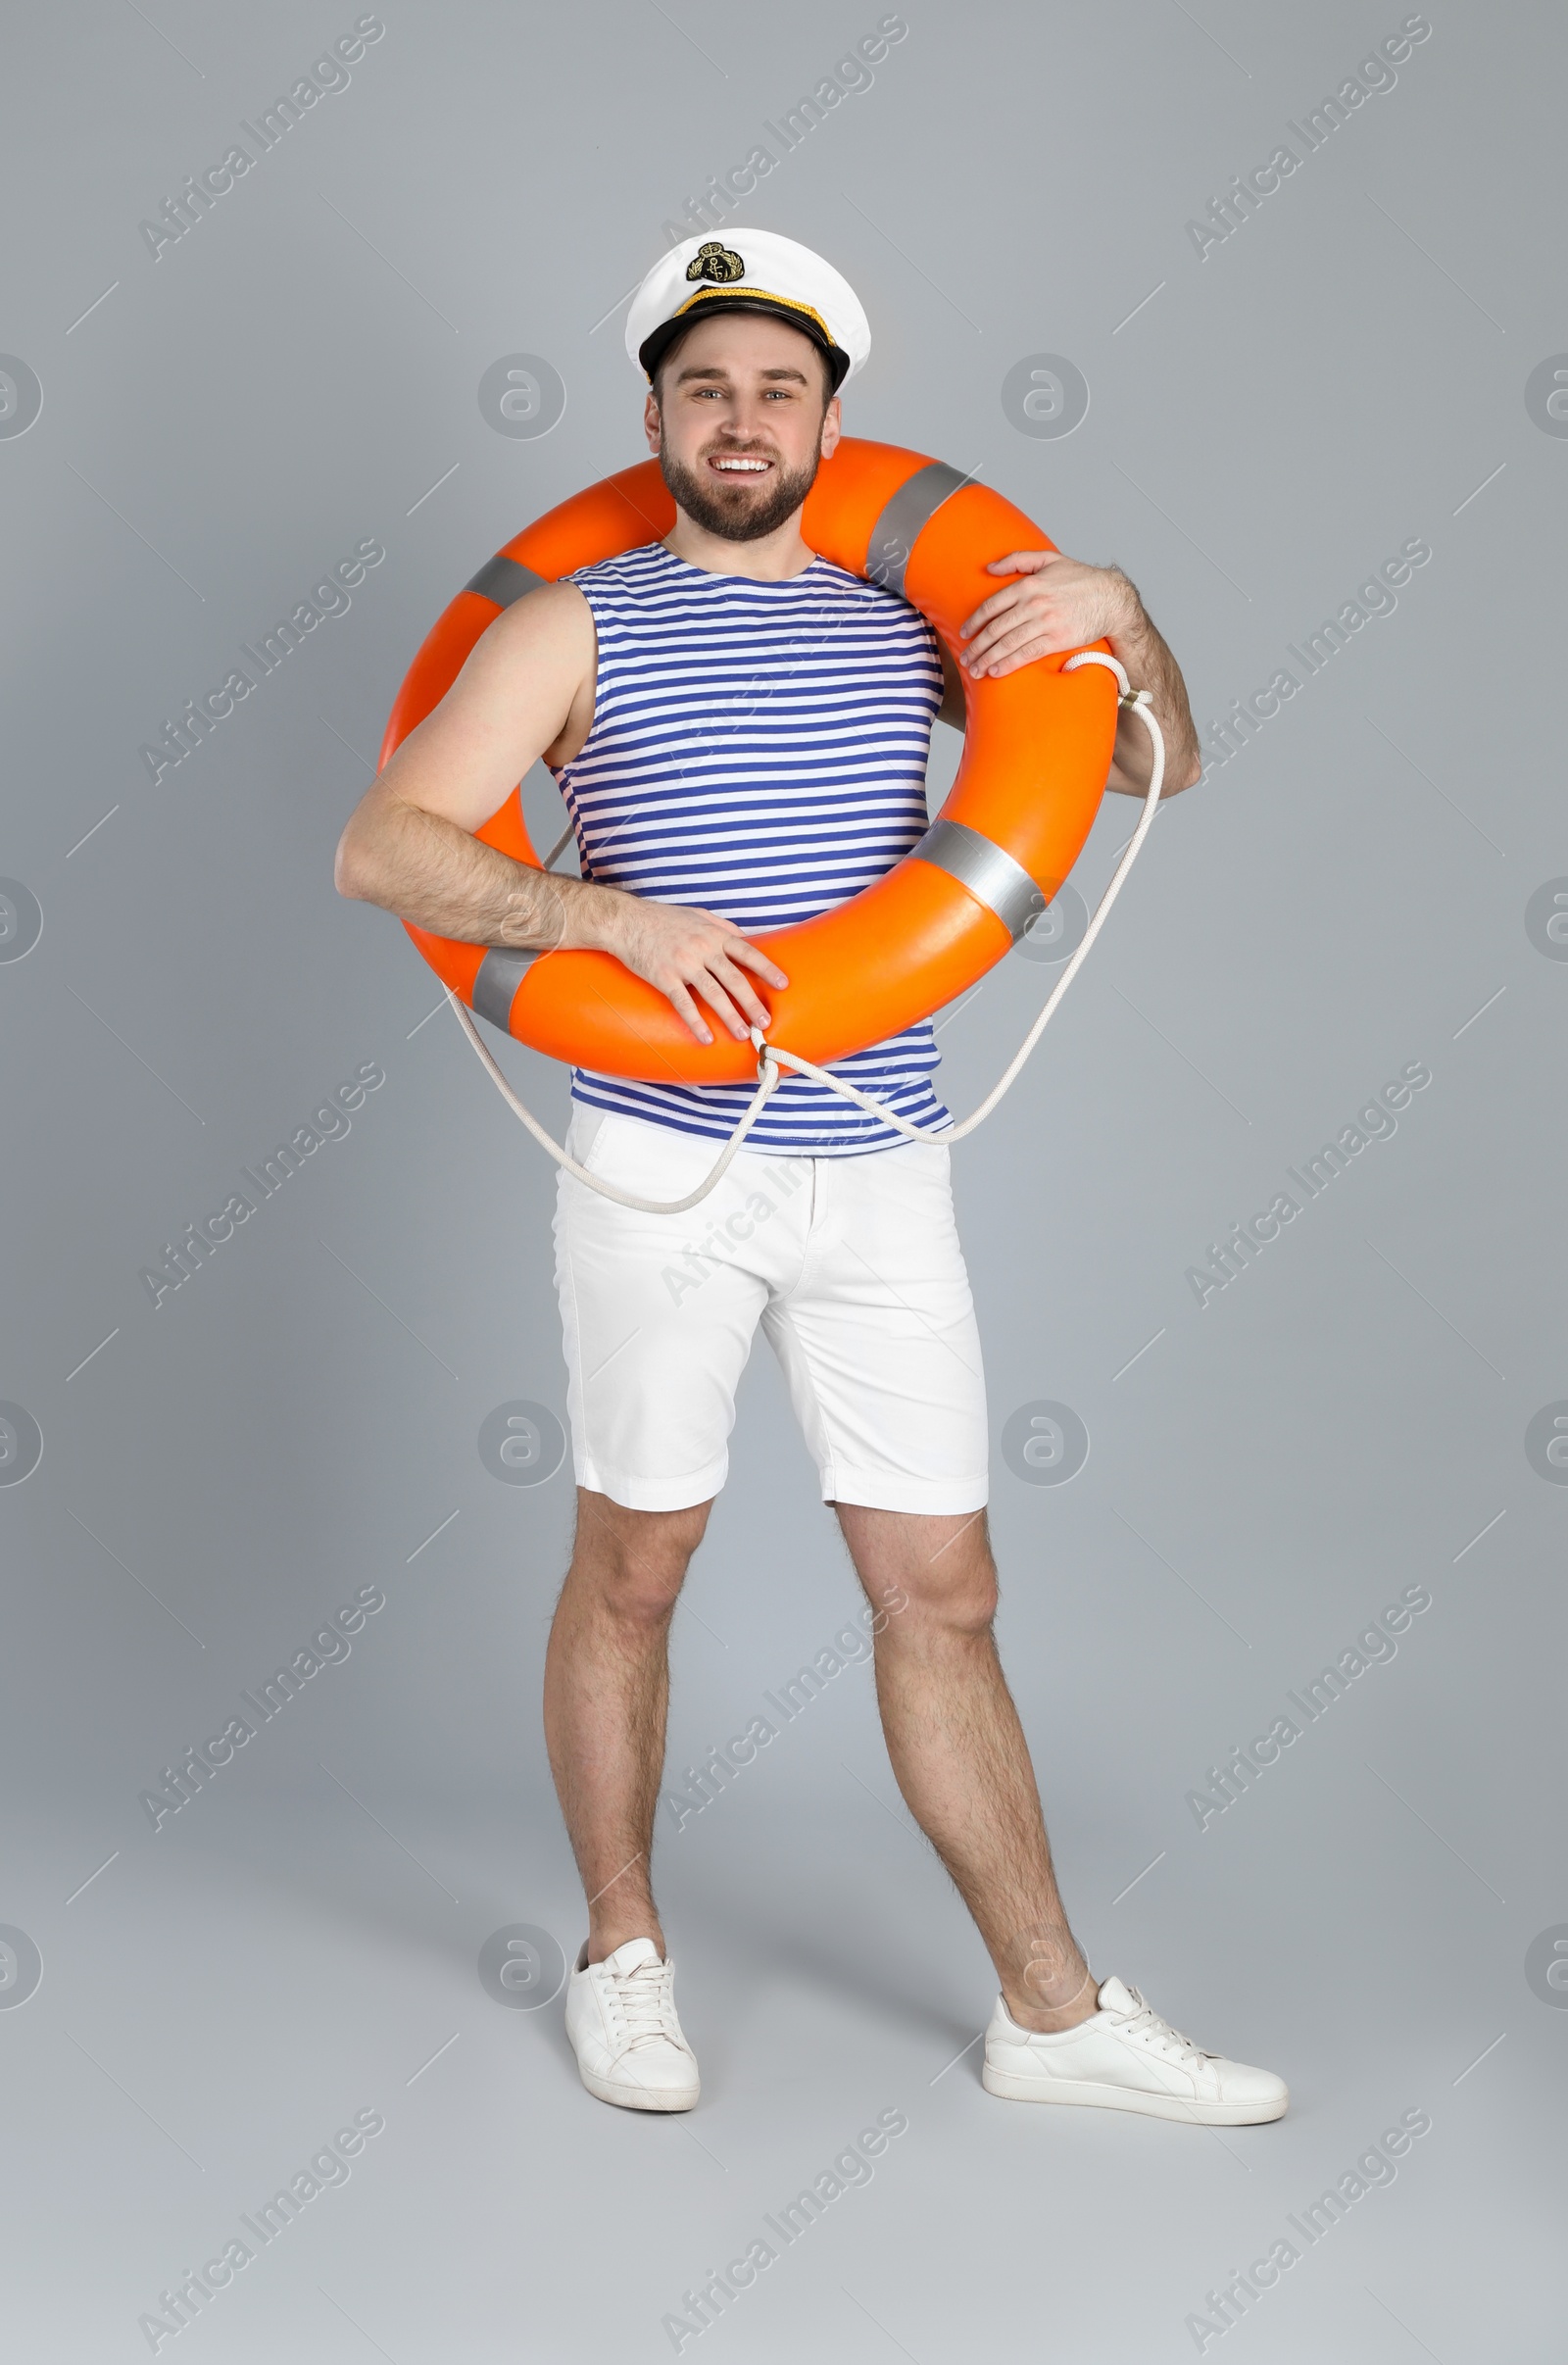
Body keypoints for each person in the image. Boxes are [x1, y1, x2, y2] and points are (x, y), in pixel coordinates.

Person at [335, 228, 1287, 2130]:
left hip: (877, 1166)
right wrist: (601, 908)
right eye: (705, 389)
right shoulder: (574, 624)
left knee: (941, 1581)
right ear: (654, 418)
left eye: (776, 388)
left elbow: (1155, 771)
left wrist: (1123, 606)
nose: (741, 419)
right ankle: (621, 1951)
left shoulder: (911, 628)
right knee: (634, 1562)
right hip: (655, 1162)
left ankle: (1047, 2003)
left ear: (830, 419)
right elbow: (384, 846)